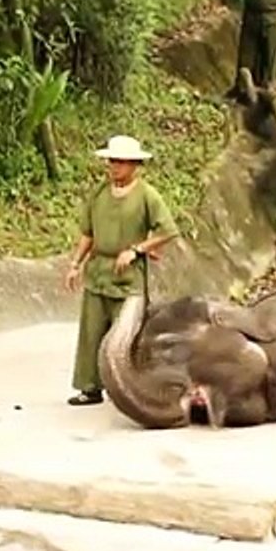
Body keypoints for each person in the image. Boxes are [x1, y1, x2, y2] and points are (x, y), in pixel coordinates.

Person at [63, 135, 179, 406]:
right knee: (91, 332)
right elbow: (87, 234)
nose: (114, 167)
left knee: (128, 335)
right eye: (111, 161)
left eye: (120, 162)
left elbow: (167, 231)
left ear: (134, 165)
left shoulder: (147, 196)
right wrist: (75, 264)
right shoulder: (100, 193)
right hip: (99, 272)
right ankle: (90, 387)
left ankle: (133, 387)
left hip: (128, 277)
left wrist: (137, 249)